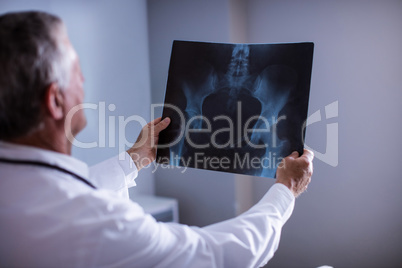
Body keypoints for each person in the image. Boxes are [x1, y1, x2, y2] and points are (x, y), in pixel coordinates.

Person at [0, 11, 313, 268]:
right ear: (55, 101)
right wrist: (285, 190)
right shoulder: (99, 223)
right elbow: (218, 256)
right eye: (76, 70)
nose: (83, 80)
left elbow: (65, 194)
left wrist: (134, 158)